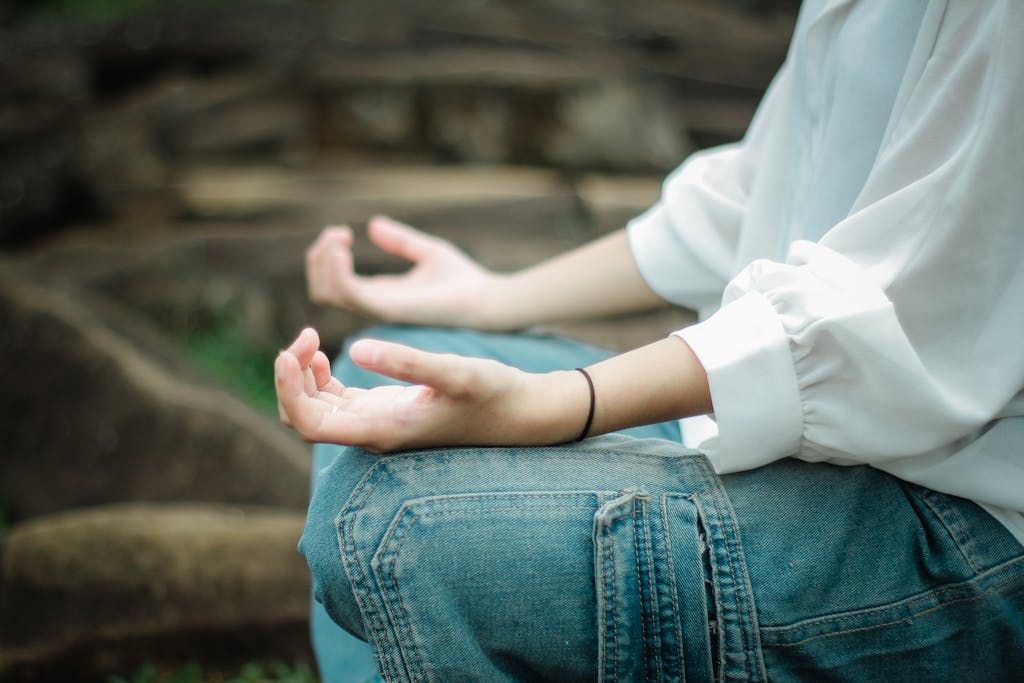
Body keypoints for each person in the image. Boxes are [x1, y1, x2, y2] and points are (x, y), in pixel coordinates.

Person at [276, 1, 1024, 680]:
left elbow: (879, 314)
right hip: (784, 428)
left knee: (389, 517)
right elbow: (753, 192)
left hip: (957, 516)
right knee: (370, 390)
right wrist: (492, 295)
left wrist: (561, 402)